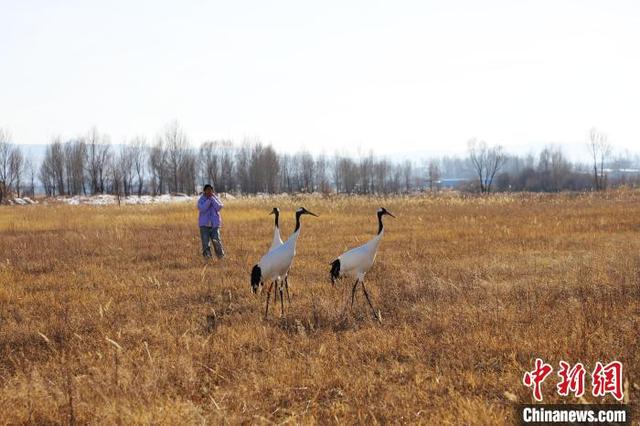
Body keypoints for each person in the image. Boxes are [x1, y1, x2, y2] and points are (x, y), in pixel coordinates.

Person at [197, 184, 225, 259]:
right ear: (204, 191)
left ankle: (221, 257)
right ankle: (207, 258)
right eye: (207, 190)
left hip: (214, 225)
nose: (209, 191)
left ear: (212, 191)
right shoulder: (201, 199)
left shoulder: (215, 198)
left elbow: (219, 207)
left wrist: (212, 199)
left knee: (217, 242)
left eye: (210, 190)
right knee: (205, 243)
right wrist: (208, 201)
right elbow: (202, 208)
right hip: (204, 226)